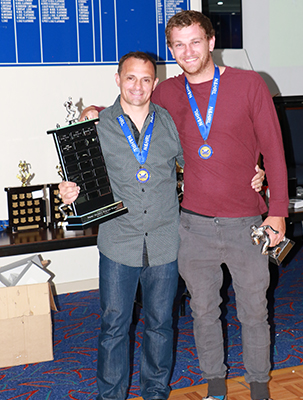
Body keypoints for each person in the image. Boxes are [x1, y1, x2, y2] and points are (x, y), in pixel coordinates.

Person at [156, 10, 288, 400]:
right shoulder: (166, 93)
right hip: (193, 226)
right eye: (178, 45)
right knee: (203, 311)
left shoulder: (249, 84)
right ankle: (215, 384)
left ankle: (259, 385)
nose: (188, 52)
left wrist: (277, 211)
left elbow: (274, 152)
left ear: (211, 42)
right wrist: (95, 112)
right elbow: (130, 111)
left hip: (246, 223)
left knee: (254, 311)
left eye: (195, 42)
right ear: (171, 50)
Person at [60, 51, 183, 400]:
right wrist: (69, 191)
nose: (137, 86)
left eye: (145, 79)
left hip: (164, 240)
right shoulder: (96, 125)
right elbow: (77, 178)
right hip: (118, 242)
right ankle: (111, 395)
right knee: (114, 325)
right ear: (118, 79)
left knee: (161, 323)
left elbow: (200, 164)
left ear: (154, 83)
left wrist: (250, 171)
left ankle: (155, 391)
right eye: (130, 78)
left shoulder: (171, 123)